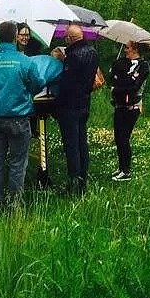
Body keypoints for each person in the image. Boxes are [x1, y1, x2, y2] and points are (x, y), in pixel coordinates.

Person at [0, 21, 45, 213]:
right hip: (19, 120)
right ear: (14, 37)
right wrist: (27, 93)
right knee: (18, 163)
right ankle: (14, 206)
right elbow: (39, 83)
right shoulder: (25, 62)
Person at [54, 24, 99, 195]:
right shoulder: (93, 53)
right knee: (82, 144)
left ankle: (73, 184)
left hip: (70, 107)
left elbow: (67, 84)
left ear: (70, 39)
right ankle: (82, 182)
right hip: (84, 104)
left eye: (66, 37)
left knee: (71, 146)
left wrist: (57, 106)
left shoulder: (72, 56)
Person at [109, 40, 150, 181]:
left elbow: (133, 86)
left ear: (135, 49)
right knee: (117, 137)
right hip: (119, 104)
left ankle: (126, 171)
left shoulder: (143, 66)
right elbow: (115, 78)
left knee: (124, 137)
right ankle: (121, 167)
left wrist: (119, 86)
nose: (125, 50)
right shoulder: (123, 63)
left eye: (127, 47)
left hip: (133, 106)